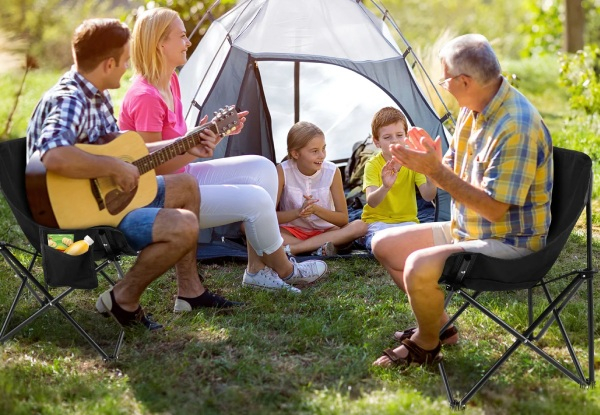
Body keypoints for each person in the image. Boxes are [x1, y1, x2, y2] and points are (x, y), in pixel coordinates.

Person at [26, 18, 243, 331]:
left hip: (104, 200)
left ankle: (190, 292)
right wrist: (113, 167)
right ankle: (124, 297)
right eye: (125, 61)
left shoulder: (96, 95)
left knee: (186, 185)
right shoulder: (70, 99)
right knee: (184, 225)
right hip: (77, 226)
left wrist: (188, 144)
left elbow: (127, 153)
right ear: (109, 63)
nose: (129, 67)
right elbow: (55, 154)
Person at [371, 34, 553, 367]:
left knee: (417, 264)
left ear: (464, 81)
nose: (444, 87)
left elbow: (494, 209)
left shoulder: (515, 127)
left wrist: (436, 172)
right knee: (383, 244)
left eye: (445, 80)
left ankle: (426, 343)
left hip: (509, 242)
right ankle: (441, 327)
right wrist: (431, 159)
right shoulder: (474, 107)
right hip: (468, 229)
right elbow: (454, 164)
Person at [119, 7, 328, 298]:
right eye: (181, 36)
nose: (188, 42)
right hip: (163, 195)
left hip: (185, 175)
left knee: (263, 168)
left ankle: (256, 270)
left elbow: (175, 146)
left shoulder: (171, 82)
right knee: (255, 199)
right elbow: (152, 168)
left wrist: (207, 136)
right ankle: (286, 269)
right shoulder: (145, 98)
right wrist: (195, 149)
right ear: (160, 44)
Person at [276, 121, 368, 256]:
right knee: (249, 228)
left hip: (326, 231)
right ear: (295, 153)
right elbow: (270, 217)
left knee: (360, 226)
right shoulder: (282, 171)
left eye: (323, 148)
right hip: (292, 231)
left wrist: (316, 210)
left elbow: (343, 219)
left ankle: (296, 249)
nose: (322, 155)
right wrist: (298, 212)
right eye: (315, 151)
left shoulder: (332, 171)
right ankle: (317, 247)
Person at [360, 107, 437, 251]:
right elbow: (372, 201)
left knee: (424, 242)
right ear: (377, 142)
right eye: (387, 137)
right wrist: (385, 187)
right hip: (379, 223)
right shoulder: (373, 165)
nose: (394, 141)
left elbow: (428, 196)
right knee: (384, 245)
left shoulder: (413, 161)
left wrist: (429, 174)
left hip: (407, 223)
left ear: (406, 137)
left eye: (399, 135)